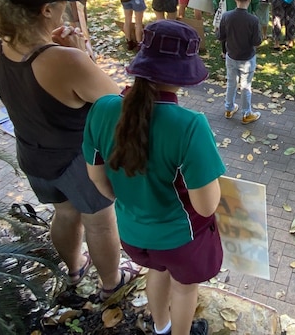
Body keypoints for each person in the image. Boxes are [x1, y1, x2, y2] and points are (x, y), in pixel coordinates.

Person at [0, 0, 127, 300]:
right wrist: (83, 56)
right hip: (75, 159)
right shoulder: (66, 60)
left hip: (33, 154)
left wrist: (56, 47)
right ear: (46, 11)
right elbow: (119, 102)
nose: (66, 8)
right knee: (100, 222)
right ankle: (112, 284)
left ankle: (74, 269)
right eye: (61, 2)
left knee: (64, 213)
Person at [83, 21, 222, 335]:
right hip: (179, 239)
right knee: (185, 288)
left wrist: (133, 200)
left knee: (156, 270)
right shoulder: (190, 126)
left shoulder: (102, 108)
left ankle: (161, 327)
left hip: (133, 235)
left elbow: (99, 180)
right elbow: (206, 207)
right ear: (183, 75)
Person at [217, 0, 263, 124]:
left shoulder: (226, 16)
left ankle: (229, 108)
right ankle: (246, 113)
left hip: (231, 55)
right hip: (247, 58)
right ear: (249, 0)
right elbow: (257, 42)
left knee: (231, 83)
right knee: (245, 86)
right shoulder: (253, 20)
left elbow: (220, 37)